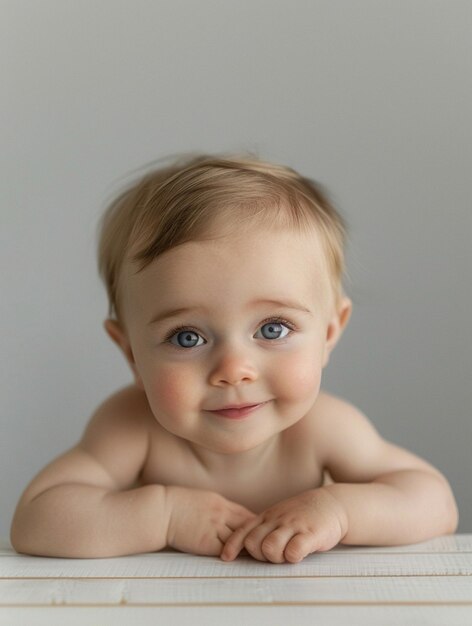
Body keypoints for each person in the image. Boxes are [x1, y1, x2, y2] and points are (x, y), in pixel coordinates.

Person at [10, 154, 458, 563]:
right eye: (186, 337)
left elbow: (434, 502)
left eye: (272, 329)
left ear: (328, 332)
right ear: (130, 351)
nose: (233, 370)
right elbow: (36, 520)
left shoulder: (323, 428)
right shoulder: (131, 426)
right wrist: (165, 515)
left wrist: (339, 509)